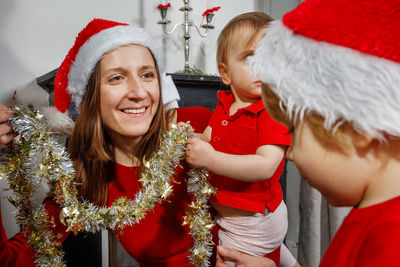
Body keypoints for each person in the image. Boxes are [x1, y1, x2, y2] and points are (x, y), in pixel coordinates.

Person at [0, 18, 216, 266]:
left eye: (147, 74)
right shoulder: (85, 175)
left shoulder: (201, 127)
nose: (138, 92)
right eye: (117, 78)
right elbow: (15, 260)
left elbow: (261, 206)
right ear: (91, 97)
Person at [247, 0, 400, 266]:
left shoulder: (391, 238)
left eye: (294, 130)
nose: (291, 153)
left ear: (356, 126)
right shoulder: (372, 215)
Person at [186, 12, 295, 267]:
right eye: (250, 58)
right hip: (233, 218)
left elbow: (265, 166)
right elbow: (209, 140)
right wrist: (191, 139)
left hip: (253, 223)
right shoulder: (224, 107)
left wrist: (210, 158)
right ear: (226, 73)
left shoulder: (271, 110)